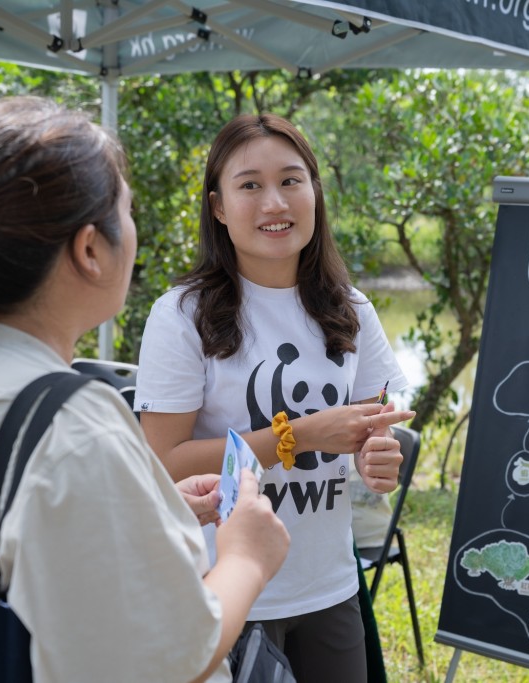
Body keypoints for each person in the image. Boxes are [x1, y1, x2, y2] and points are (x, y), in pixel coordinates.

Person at [0, 96, 289, 682]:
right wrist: (247, 557)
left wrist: (145, 512)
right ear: (89, 249)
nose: (133, 230)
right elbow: (174, 655)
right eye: (127, 211)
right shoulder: (73, 425)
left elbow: (3, 545)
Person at [134, 113, 415, 682]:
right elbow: (162, 464)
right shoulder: (182, 315)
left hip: (330, 587)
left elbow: (374, 428)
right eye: (250, 185)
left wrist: (377, 457)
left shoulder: (351, 309)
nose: (275, 203)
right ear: (218, 207)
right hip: (228, 591)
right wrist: (299, 437)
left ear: (315, 190)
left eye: (291, 180)